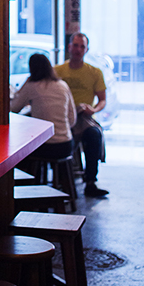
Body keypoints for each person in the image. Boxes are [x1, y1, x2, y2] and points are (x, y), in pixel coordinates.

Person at [55, 32, 108, 198]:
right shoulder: (57, 71)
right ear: (69, 47)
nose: (78, 49)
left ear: (87, 50)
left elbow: (102, 100)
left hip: (84, 117)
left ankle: (90, 182)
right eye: (75, 45)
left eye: (82, 46)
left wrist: (93, 110)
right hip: (62, 117)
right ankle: (61, 181)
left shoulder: (95, 72)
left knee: (94, 134)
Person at [11, 54, 77, 166]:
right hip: (66, 145)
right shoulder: (63, 85)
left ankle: (33, 180)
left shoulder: (32, 86)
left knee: (17, 150)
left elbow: (14, 108)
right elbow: (72, 119)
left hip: (45, 147)